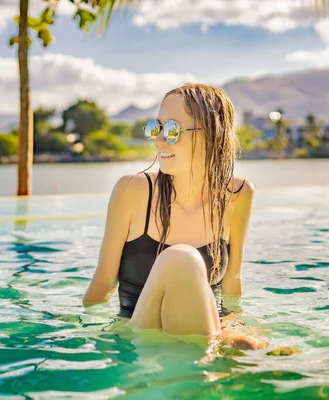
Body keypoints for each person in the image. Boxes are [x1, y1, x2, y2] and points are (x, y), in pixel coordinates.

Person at [83, 83, 263, 350]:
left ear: (211, 135)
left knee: (248, 345)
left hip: (206, 327)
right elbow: (104, 281)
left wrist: (235, 326)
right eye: (155, 128)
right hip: (139, 328)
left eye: (171, 130)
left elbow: (232, 284)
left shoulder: (237, 194)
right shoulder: (132, 190)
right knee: (182, 258)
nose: (158, 140)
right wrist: (90, 331)